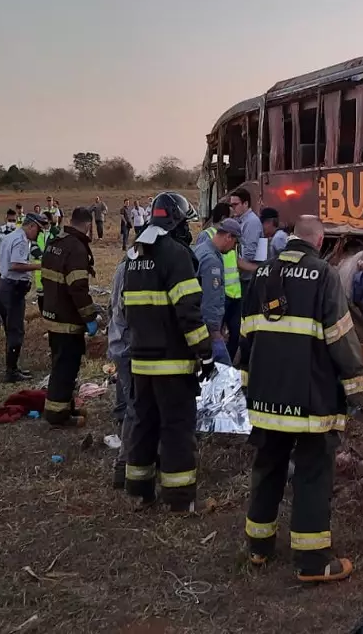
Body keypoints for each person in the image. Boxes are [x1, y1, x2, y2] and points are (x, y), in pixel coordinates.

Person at [240, 215, 363, 582]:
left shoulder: (262, 274)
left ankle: (258, 547)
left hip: (265, 398)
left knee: (267, 468)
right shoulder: (323, 275)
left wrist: (250, 388)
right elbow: (340, 336)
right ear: (320, 240)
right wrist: (356, 386)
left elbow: (246, 336)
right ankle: (312, 563)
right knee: (312, 474)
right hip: (309, 400)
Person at [121, 191, 215, 510]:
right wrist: (205, 353)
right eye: (186, 223)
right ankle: (178, 499)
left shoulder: (135, 253)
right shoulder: (177, 255)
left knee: (144, 424)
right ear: (176, 221)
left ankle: (140, 490)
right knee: (176, 428)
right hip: (172, 362)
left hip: (141, 360)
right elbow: (188, 311)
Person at [41, 207, 98, 427]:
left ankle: (64, 405)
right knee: (66, 368)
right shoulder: (76, 248)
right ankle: (58, 416)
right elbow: (78, 288)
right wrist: (90, 317)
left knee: (59, 364)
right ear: (88, 224)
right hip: (68, 320)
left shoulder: (56, 242)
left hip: (52, 314)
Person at [0, 212, 47, 383]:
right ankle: (11, 371)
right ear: (31, 226)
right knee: (16, 330)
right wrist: (40, 266)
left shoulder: (10, 237)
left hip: (4, 285)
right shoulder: (21, 240)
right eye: (38, 230)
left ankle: (13, 367)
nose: (38, 234)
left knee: (10, 329)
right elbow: (16, 264)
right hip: (13, 289)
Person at [196, 203, 243, 358]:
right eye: (235, 243)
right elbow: (210, 299)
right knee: (222, 371)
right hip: (208, 329)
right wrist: (215, 331)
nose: (233, 248)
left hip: (201, 325)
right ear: (228, 237)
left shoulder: (204, 251)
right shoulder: (212, 261)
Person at [108, 244, 135, 489]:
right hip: (129, 347)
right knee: (136, 408)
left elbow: (111, 307)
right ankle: (124, 466)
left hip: (119, 344)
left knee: (127, 398)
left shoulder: (122, 267)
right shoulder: (134, 271)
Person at [230, 188, 263, 297]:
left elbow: (248, 253)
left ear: (245, 204)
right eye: (231, 205)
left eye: (235, 204)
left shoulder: (251, 222)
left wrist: (236, 263)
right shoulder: (240, 220)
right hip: (244, 276)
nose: (233, 208)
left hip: (249, 278)